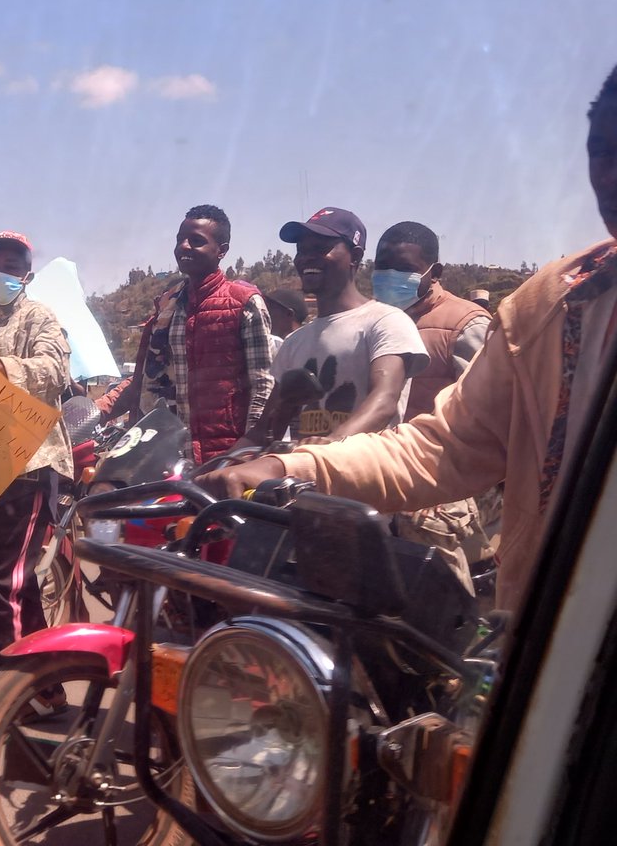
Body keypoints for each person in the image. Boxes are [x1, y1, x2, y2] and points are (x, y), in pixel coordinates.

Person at [203, 63, 617, 613]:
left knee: (428, 624)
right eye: (602, 149)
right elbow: (448, 443)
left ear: (351, 255)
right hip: (553, 626)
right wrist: (273, 462)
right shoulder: (557, 307)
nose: (609, 175)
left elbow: (384, 408)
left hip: (417, 508)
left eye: (319, 246)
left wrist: (318, 457)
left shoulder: (398, 323)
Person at [0, 230, 71, 682]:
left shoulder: (39, 318)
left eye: (11, 267)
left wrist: (2, 364)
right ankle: (42, 692)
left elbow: (54, 373)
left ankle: (7, 697)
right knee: (19, 582)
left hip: (30, 464)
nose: (0, 273)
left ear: (27, 275)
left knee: (0, 581)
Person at [233, 207, 428, 447]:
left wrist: (332, 445)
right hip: (306, 479)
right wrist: (215, 469)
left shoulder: (386, 322)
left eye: (320, 248)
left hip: (367, 479)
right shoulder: (295, 342)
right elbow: (263, 430)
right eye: (301, 250)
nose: (306, 257)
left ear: (355, 256)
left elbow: (384, 401)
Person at [97, 205, 273, 468]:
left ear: (222, 250)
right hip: (169, 456)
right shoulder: (170, 307)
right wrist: (99, 410)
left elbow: (262, 387)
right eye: (180, 239)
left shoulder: (244, 303)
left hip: (226, 457)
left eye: (197, 241)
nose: (184, 246)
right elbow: (147, 379)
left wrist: (246, 454)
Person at [373, 222, 490, 421]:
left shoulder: (467, 326)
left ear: (435, 273)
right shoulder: (370, 318)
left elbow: (485, 413)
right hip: (371, 449)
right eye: (383, 266)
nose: (391, 275)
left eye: (404, 268)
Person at [263, 287, 308, 355]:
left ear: (289, 314)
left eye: (270, 309)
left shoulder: (305, 349)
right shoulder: (269, 346)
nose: (265, 315)